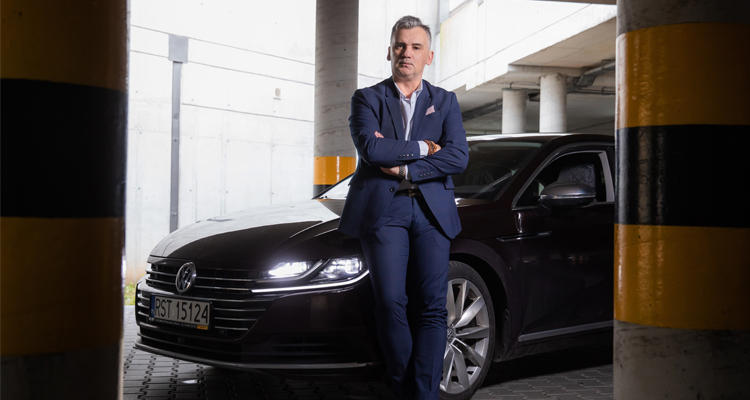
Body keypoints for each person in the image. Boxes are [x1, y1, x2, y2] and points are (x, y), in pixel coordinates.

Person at [338, 15, 469, 400]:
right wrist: (427, 148)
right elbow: (372, 149)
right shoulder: (367, 98)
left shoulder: (445, 101)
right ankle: (403, 389)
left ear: (429, 56)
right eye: (399, 45)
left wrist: (407, 166)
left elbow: (459, 156)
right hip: (384, 210)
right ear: (389, 52)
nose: (406, 53)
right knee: (390, 300)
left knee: (432, 306)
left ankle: (424, 394)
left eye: (415, 47)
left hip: (432, 212)